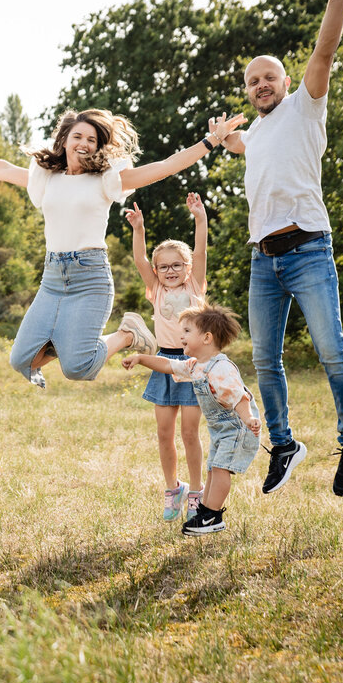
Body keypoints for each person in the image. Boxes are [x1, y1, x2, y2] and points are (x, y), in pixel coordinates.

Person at [219, 0, 343, 497]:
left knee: (331, 350)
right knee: (265, 360)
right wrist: (222, 138)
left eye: (269, 78)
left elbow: (325, 53)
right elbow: (244, 146)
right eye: (252, 81)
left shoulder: (306, 105)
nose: (261, 85)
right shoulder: (257, 133)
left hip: (308, 250)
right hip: (264, 260)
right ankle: (282, 444)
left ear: (284, 82)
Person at [0, 109, 245, 388]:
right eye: (77, 136)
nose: (84, 143)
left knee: (77, 368)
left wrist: (211, 140)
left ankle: (128, 334)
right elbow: (5, 169)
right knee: (21, 361)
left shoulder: (106, 179)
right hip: (53, 277)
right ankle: (68, 343)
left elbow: (166, 165)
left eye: (91, 139)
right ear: (64, 140)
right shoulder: (47, 177)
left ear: (98, 145)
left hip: (90, 277)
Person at [123, 304, 261, 536]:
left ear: (207, 338)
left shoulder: (221, 368)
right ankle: (204, 513)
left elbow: (240, 397)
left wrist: (249, 419)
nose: (181, 336)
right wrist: (140, 358)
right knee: (212, 470)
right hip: (222, 431)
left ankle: (212, 516)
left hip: (238, 428)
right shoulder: (196, 366)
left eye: (187, 331)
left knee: (220, 470)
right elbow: (168, 365)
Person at [124, 194, 208, 521]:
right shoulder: (156, 289)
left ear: (187, 268)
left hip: (190, 365)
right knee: (163, 432)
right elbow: (139, 259)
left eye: (177, 265)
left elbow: (200, 251)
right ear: (157, 271)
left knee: (189, 433)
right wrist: (139, 228)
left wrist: (199, 219)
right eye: (164, 266)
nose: (170, 270)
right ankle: (173, 489)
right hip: (162, 363)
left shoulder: (195, 287)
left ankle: (197, 493)